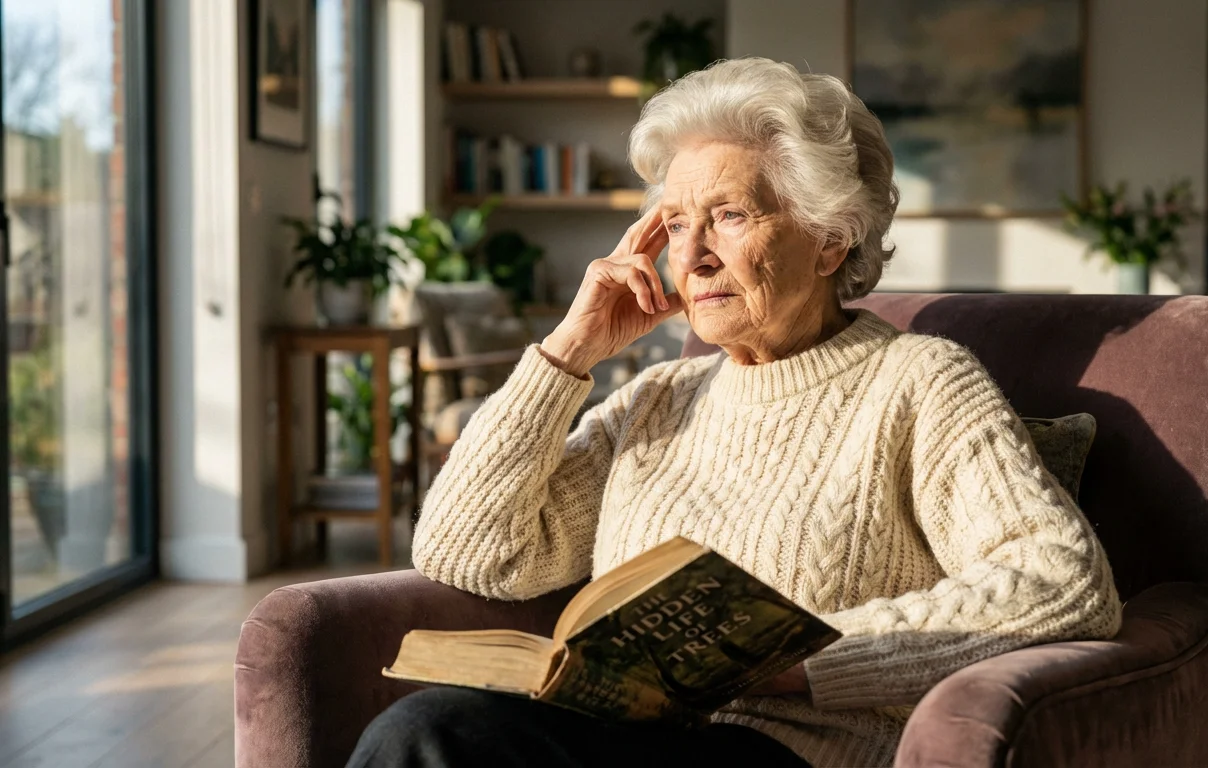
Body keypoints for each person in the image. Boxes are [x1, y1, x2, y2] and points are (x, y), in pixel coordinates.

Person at [348, 57, 1121, 768]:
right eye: (677, 224)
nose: (691, 258)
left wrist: (805, 662)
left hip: (791, 751)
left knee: (432, 740)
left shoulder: (918, 382)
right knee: (423, 730)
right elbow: (468, 553)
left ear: (829, 239)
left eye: (729, 216)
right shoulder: (657, 400)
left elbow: (1063, 581)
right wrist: (568, 351)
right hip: (628, 740)